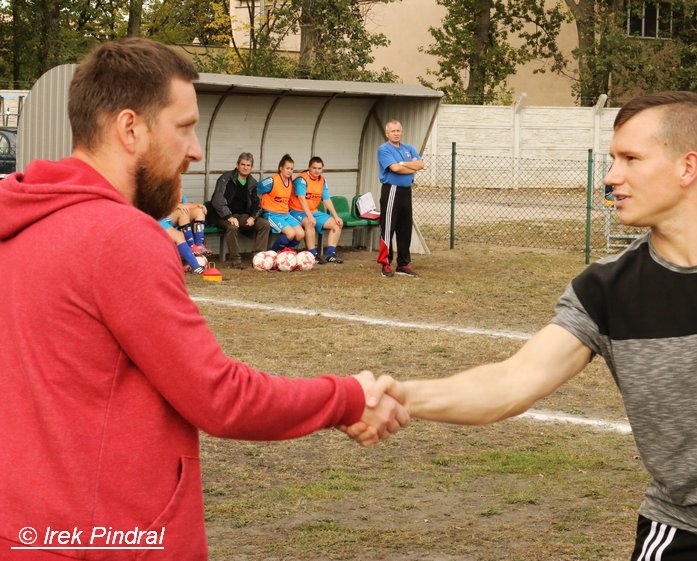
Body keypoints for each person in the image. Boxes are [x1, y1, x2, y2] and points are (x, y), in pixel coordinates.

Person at [0, 38, 407, 561]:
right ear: (130, 128)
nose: (195, 149)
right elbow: (220, 397)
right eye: (185, 127)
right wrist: (346, 397)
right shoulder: (119, 238)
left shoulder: (20, 216)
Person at [355, 92, 697, 560]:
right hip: (689, 535)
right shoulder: (605, 290)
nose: (610, 176)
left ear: (687, 167)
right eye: (612, 159)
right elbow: (511, 382)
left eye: (630, 159)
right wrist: (402, 396)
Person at [376, 119, 424, 278]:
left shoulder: (408, 148)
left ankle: (403, 264)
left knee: (405, 228)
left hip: (406, 191)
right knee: (388, 227)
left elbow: (421, 165)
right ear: (387, 133)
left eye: (398, 131)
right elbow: (395, 168)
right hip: (392, 190)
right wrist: (410, 166)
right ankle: (385, 263)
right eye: (393, 131)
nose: (396, 134)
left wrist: (403, 163)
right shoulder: (384, 149)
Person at [210, 152, 270, 269]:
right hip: (223, 216)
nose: (245, 167)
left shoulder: (253, 183)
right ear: (237, 165)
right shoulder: (225, 179)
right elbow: (217, 200)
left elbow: (257, 204)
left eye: (248, 165)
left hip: (242, 216)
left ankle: (258, 259)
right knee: (232, 227)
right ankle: (236, 261)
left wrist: (253, 217)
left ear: (251, 167)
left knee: (264, 224)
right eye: (242, 164)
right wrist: (229, 216)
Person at [290, 156, 345, 264]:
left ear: (322, 169)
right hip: (297, 211)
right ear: (309, 167)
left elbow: (326, 199)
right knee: (309, 222)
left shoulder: (322, 180)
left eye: (319, 168)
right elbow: (301, 199)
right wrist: (310, 216)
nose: (317, 171)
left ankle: (330, 255)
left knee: (337, 224)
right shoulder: (302, 179)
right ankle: (313, 255)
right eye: (314, 168)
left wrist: (336, 216)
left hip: (313, 211)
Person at [258, 154, 305, 252]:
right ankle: (273, 253)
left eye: (291, 169)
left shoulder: (290, 182)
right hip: (271, 214)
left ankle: (284, 251)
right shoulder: (272, 180)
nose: (290, 171)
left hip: (285, 214)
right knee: (291, 233)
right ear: (281, 168)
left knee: (300, 234)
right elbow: (255, 188)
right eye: (287, 168)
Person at [159, 191, 211, 274]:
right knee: (179, 235)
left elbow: (185, 205)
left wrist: (197, 205)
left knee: (199, 210)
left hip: (171, 220)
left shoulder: (176, 189)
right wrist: (175, 206)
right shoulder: (155, 189)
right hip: (156, 220)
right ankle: (195, 265)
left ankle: (198, 245)